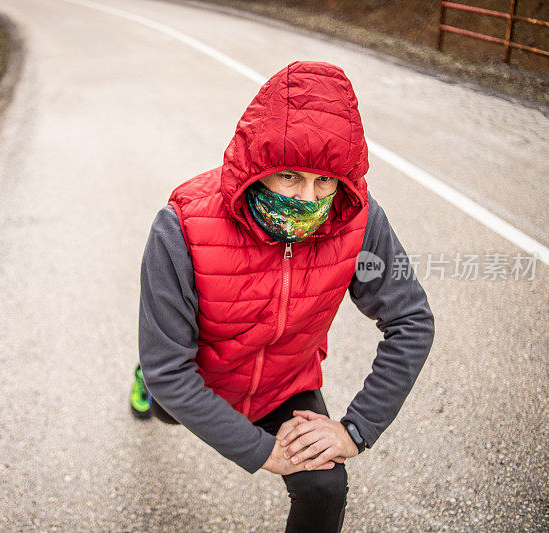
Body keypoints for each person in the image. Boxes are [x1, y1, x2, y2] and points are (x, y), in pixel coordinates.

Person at [129, 60, 435, 532]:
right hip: (198, 378)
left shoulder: (358, 218)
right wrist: (260, 450)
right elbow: (172, 370)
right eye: (290, 176)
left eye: (325, 180)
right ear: (259, 167)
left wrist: (356, 431)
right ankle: (144, 369)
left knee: (324, 487)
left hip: (284, 384)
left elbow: (411, 319)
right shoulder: (181, 226)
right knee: (163, 375)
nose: (309, 200)